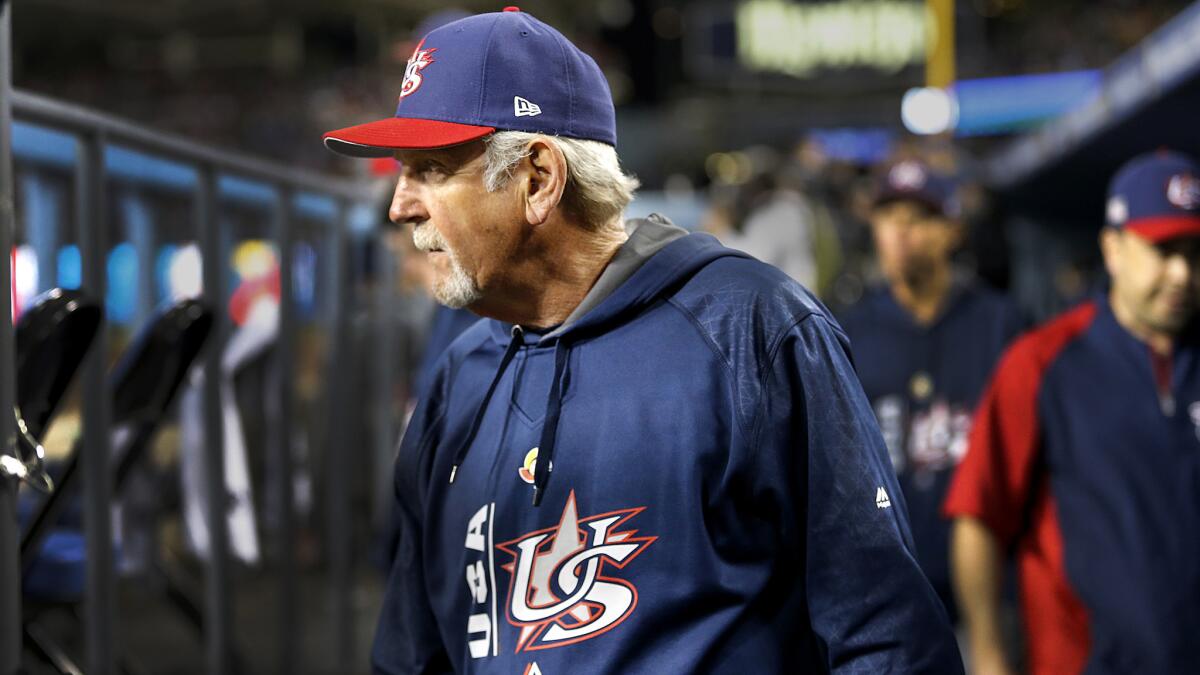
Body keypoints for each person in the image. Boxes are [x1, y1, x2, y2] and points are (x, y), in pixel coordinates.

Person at [324, 8, 961, 673]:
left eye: (429, 169)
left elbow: (888, 641)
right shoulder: (459, 381)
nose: (400, 206)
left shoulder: (750, 332)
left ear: (538, 179)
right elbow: (409, 657)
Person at [944, 150, 1200, 675]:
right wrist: (990, 656)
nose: (1182, 273)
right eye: (1163, 249)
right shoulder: (1043, 362)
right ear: (1113, 248)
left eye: (1196, 253)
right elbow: (978, 517)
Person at [838, 159, 1023, 623]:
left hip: (996, 585)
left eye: (919, 218)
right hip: (889, 588)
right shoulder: (844, 329)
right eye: (889, 217)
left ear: (952, 231)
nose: (901, 232)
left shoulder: (1001, 323)